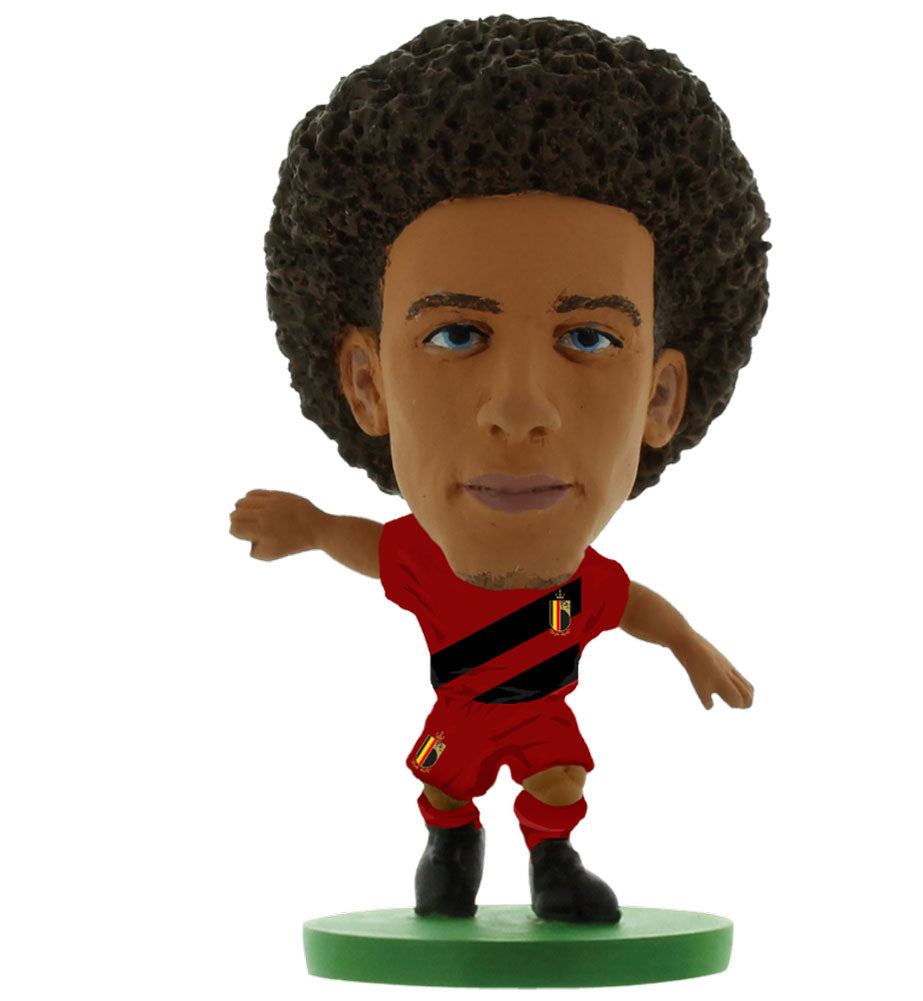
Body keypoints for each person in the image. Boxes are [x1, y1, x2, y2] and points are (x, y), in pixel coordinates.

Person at [230, 14, 769, 924]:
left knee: (559, 778)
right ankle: (451, 843)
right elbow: (369, 547)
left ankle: (554, 862)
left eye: (588, 338)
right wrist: (313, 529)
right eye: (456, 335)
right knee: (446, 784)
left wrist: (688, 644)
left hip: (539, 709)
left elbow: (632, 606)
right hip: (465, 710)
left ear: (659, 398)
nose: (519, 410)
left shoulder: (584, 588)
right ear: (366, 382)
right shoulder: (423, 562)